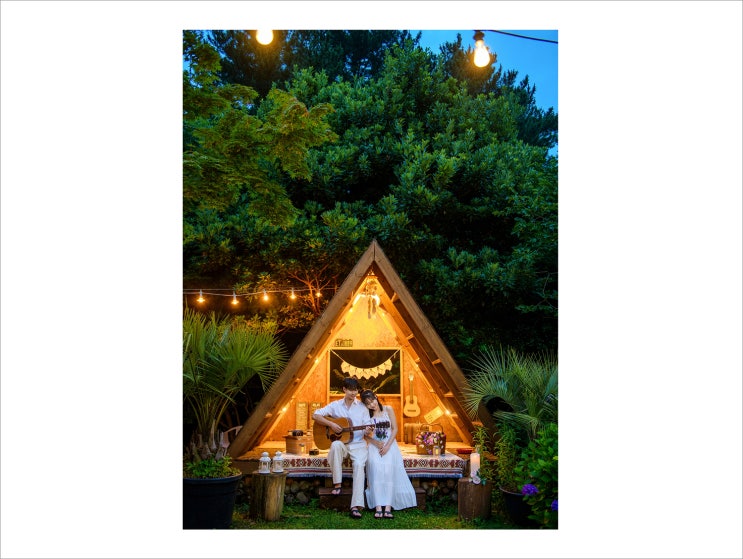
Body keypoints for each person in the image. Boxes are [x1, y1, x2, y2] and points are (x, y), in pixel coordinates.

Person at [312, 377, 373, 519]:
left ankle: (356, 506)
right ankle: (337, 484)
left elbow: (367, 430)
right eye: (351, 390)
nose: (354, 393)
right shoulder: (335, 406)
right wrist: (331, 424)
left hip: (358, 445)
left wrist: (368, 430)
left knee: (359, 465)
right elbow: (315, 415)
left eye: (356, 390)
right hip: (343, 445)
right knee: (335, 444)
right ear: (344, 389)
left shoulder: (362, 408)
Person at [360, 389, 417, 519]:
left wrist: (387, 446)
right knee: (376, 473)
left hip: (389, 445)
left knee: (388, 473)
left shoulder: (388, 409)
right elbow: (365, 436)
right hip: (375, 447)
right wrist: (375, 442)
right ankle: (378, 506)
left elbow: (395, 429)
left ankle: (388, 507)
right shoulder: (367, 416)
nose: (372, 405)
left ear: (376, 397)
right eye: (368, 404)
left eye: (372, 401)